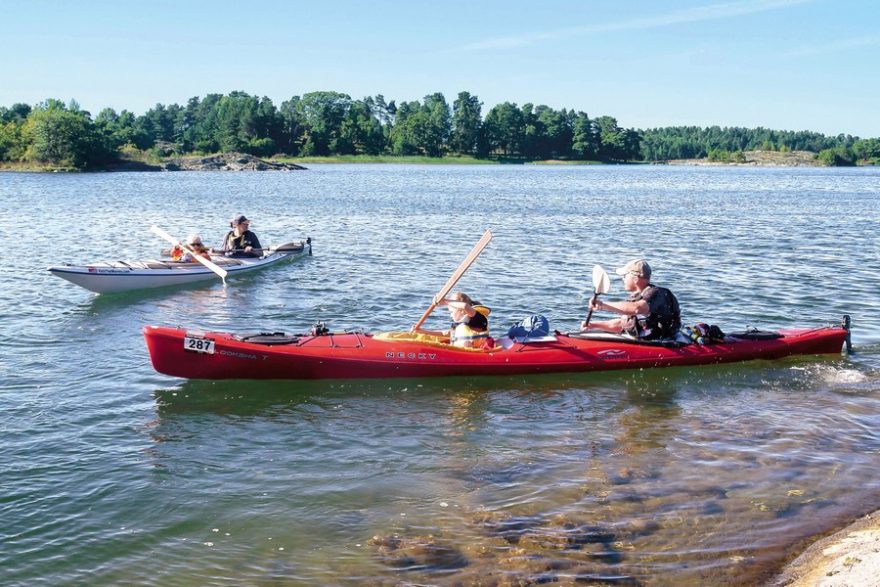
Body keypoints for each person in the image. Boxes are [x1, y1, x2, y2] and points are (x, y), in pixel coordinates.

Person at [581, 258, 681, 340]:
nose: (623, 279)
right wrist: (594, 325)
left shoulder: (657, 293)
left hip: (666, 342)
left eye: (625, 276)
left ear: (635, 279)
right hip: (646, 341)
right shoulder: (636, 298)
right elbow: (623, 324)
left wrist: (602, 305)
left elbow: (637, 308)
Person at [416, 291, 492, 348]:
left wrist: (445, 301)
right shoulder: (460, 325)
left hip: (472, 353)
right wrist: (422, 332)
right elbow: (445, 334)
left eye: (452, 312)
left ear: (462, 311)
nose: (451, 315)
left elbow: (465, 306)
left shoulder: (477, 320)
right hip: (458, 351)